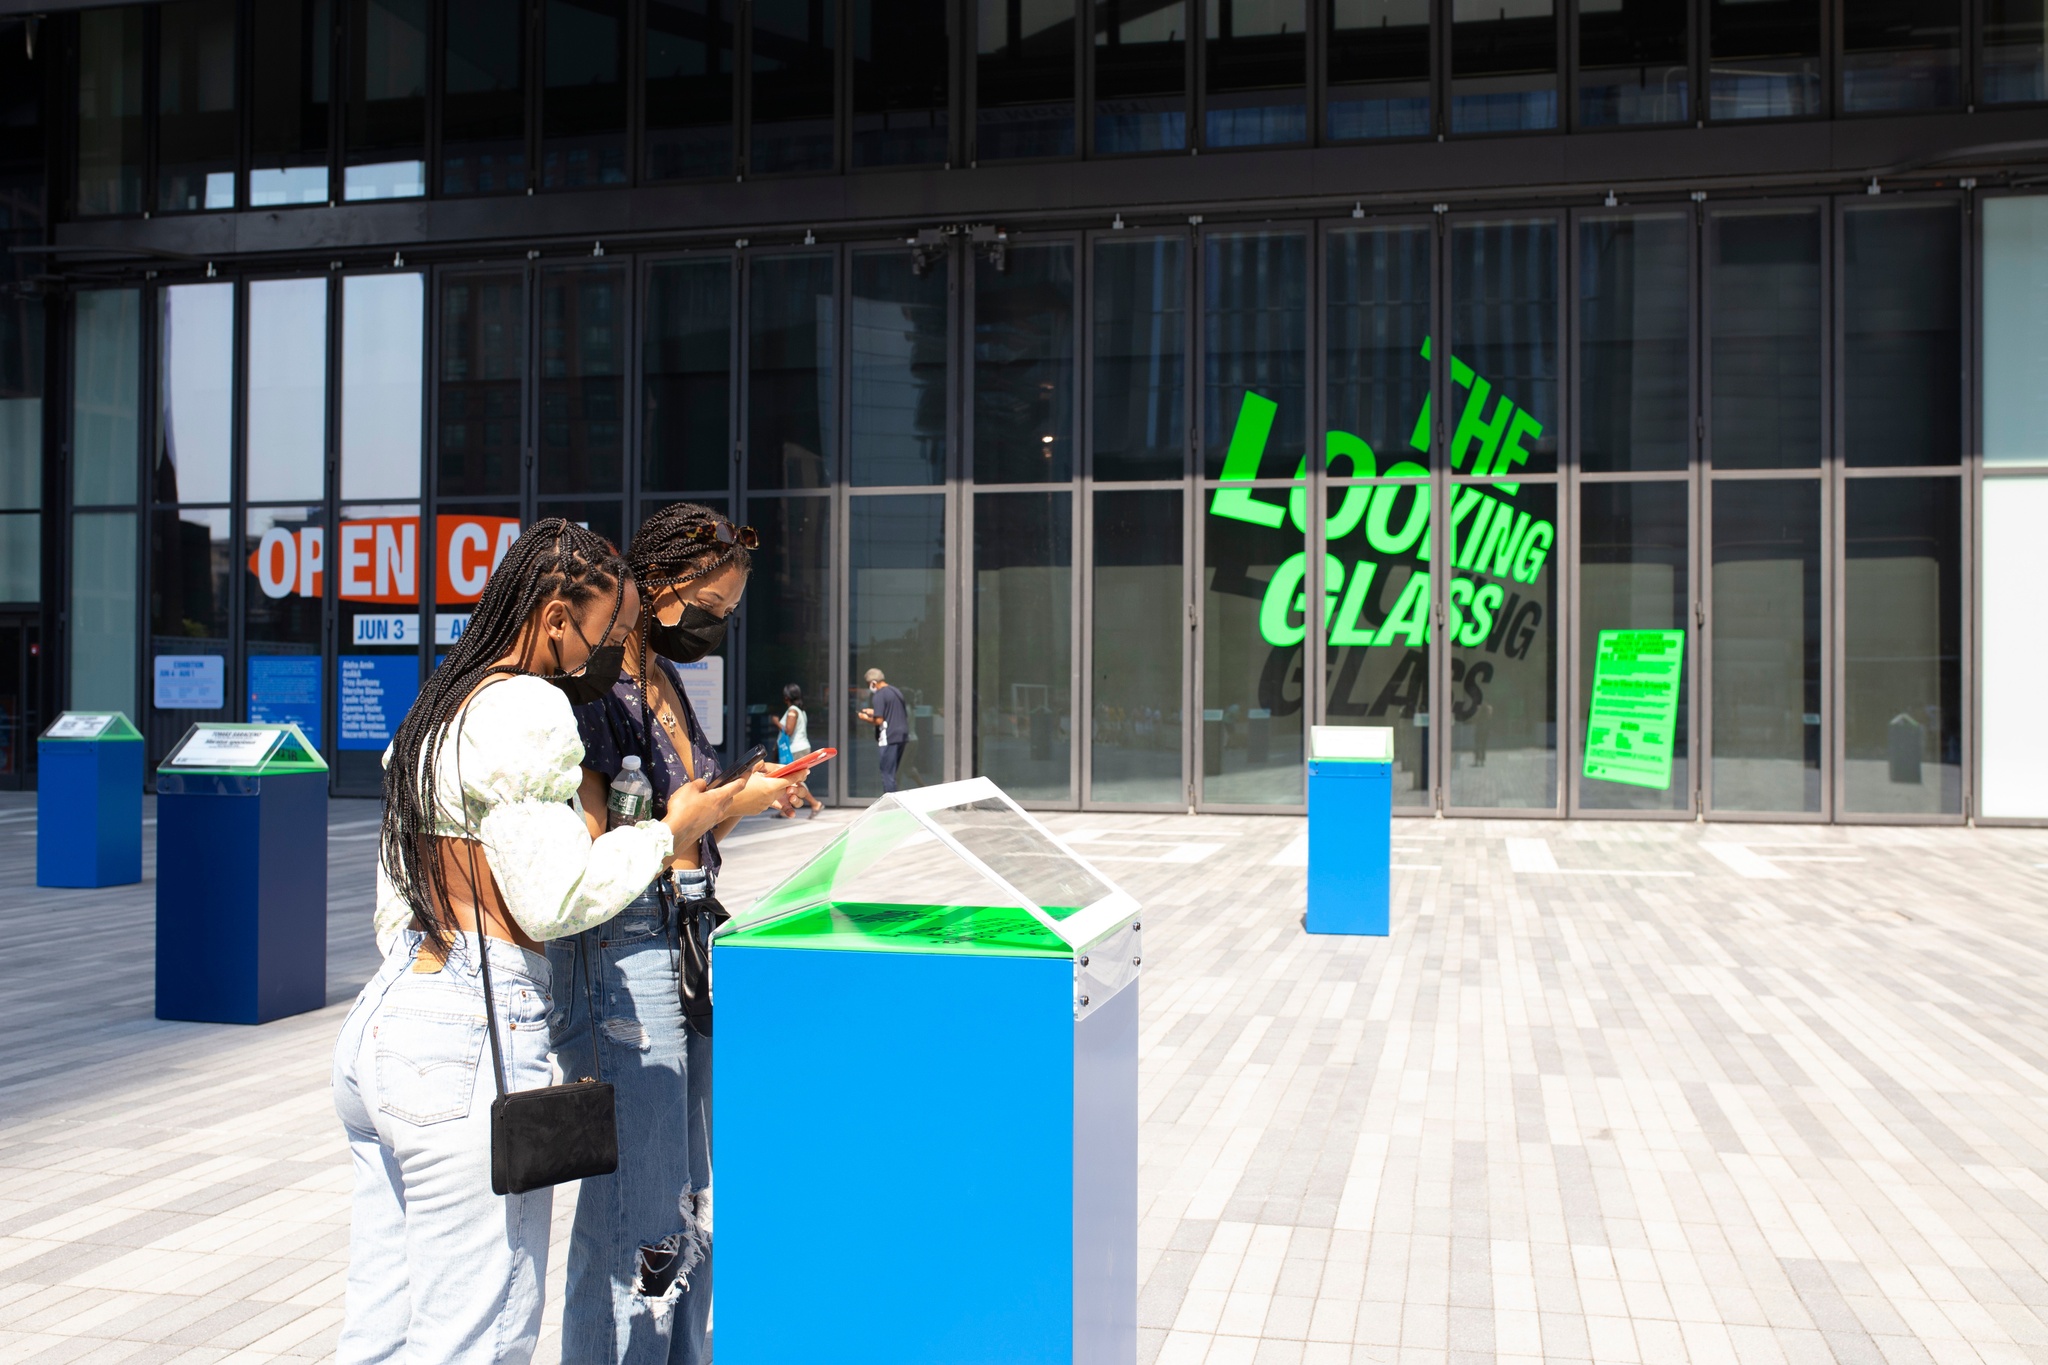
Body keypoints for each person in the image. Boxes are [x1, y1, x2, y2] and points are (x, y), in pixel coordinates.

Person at [333, 520, 729, 1365]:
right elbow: (555, 898)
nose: (609, 651)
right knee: (479, 1336)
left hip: (387, 1019)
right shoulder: (528, 706)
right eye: (603, 630)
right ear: (556, 617)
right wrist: (670, 831)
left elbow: (391, 887)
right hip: (470, 1035)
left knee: (383, 1328)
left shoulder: (443, 702)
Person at [550, 503, 794, 1365]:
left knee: (687, 1198)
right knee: (640, 1212)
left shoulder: (664, 676)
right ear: (661, 588)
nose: (717, 625)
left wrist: (746, 795)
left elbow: (691, 825)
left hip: (686, 933)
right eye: (711, 607)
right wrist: (719, 807)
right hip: (628, 949)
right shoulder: (594, 687)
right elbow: (603, 849)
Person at [856, 666, 910, 794]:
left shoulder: (879, 695)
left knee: (887, 773)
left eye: (869, 684)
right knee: (893, 772)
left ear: (873, 682)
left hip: (889, 736)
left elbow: (879, 721)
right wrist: (873, 712)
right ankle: (895, 801)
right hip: (902, 736)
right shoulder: (896, 691)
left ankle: (891, 806)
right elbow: (891, 712)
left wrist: (864, 718)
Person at [776, 683, 823, 818]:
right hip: (801, 747)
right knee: (791, 780)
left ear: (786, 697)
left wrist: (776, 722)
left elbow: (788, 731)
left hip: (795, 749)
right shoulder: (801, 711)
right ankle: (785, 808)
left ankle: (815, 803)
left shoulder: (792, 711)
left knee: (795, 780)